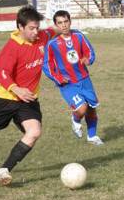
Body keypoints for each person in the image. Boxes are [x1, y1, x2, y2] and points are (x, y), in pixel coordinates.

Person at [0, 6, 55, 185]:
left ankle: (3, 170)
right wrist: (17, 89)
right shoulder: (11, 48)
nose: (36, 31)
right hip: (4, 99)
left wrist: (67, 30)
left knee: (34, 131)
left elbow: (55, 30)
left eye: (37, 27)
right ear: (20, 27)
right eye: (31, 28)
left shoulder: (42, 37)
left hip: (27, 101)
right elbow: (3, 73)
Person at [43, 10, 103, 146]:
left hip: (84, 79)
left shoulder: (79, 36)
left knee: (92, 108)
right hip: (68, 83)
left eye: (65, 22)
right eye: (60, 23)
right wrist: (58, 78)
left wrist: (89, 59)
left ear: (70, 22)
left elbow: (89, 51)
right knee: (82, 108)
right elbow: (47, 65)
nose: (63, 25)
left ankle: (92, 136)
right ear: (56, 25)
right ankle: (75, 120)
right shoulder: (52, 43)